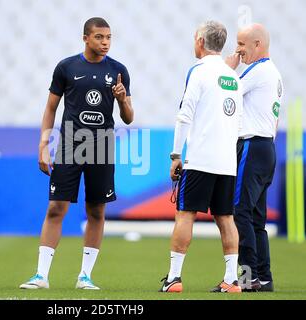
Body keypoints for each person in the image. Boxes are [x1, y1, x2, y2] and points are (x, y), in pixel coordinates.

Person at [19, 17, 134, 290]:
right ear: (85, 38)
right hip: (70, 145)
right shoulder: (67, 67)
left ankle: (85, 276)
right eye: (99, 37)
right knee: (56, 207)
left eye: (108, 37)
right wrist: (43, 145)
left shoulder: (118, 71)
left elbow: (128, 117)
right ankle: (41, 276)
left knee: (96, 210)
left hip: (102, 145)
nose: (105, 42)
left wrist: (121, 99)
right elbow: (50, 108)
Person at [159, 21, 243, 293]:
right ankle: (231, 280)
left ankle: (174, 278)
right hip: (227, 162)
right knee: (226, 219)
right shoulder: (234, 78)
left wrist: (175, 155)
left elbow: (184, 115)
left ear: (200, 41)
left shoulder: (198, 72)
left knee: (185, 214)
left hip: (201, 159)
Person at [226, 23, 283, 292]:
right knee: (256, 218)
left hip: (252, 146)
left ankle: (249, 278)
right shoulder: (273, 74)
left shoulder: (258, 72)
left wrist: (227, 69)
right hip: (266, 148)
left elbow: (224, 90)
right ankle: (264, 276)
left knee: (241, 212)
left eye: (241, 44)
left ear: (257, 45)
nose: (237, 50)